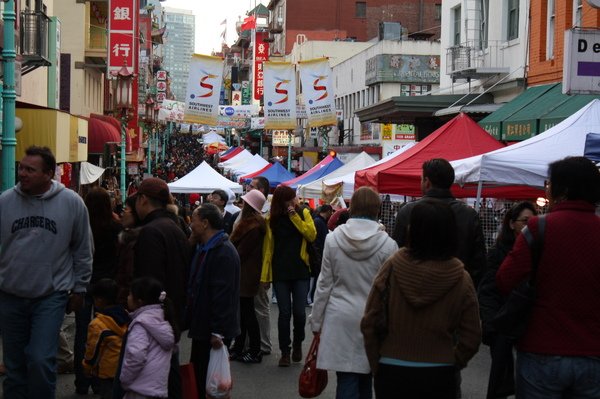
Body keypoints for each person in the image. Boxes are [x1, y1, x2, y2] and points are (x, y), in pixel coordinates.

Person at [496, 156, 600, 398]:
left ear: (562, 189)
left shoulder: (538, 228)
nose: (547, 189)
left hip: (541, 349)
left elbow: (504, 279)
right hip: (594, 351)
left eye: (550, 184)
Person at [361, 199, 481, 399]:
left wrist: (378, 364)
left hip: (392, 368)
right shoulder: (461, 277)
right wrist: (452, 362)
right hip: (440, 371)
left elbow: (369, 322)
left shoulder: (392, 266)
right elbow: (472, 335)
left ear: (411, 230)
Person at [0, 146, 94, 398]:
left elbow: (83, 248)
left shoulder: (72, 202)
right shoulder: (5, 201)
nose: (23, 173)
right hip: (10, 294)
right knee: (14, 366)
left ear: (48, 173)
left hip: (50, 296)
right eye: (21, 167)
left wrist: (80, 287)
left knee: (41, 359)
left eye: (30, 169)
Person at [310, 187, 398, 399]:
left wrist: (316, 321)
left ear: (352, 206)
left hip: (339, 315)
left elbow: (324, 284)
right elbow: (391, 291)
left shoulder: (333, 240)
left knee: (347, 377)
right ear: (377, 209)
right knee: (367, 375)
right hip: (373, 318)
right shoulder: (388, 245)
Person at [133, 177, 191, 398]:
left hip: (157, 313)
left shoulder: (151, 231)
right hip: (174, 309)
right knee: (169, 366)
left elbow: (149, 279)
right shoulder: (175, 228)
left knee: (157, 372)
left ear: (144, 200)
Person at [391, 158, 486, 287]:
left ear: (427, 182)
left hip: (414, 288)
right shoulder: (469, 215)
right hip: (456, 290)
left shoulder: (408, 211)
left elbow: (397, 255)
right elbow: (479, 263)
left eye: (421, 179)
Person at [478, 201, 536, 399]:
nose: (528, 226)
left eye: (532, 221)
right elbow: (487, 290)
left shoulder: (538, 251)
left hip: (530, 325)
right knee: (502, 381)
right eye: (524, 221)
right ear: (511, 224)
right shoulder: (498, 252)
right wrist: (491, 323)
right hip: (503, 321)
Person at [186, 203, 241, 396]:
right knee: (201, 377)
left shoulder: (223, 251)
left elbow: (223, 294)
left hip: (212, 328)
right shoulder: (204, 247)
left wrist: (218, 331)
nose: (191, 224)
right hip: (203, 323)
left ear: (205, 223)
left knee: (208, 381)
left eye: (193, 220)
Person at [261, 185, 317, 367]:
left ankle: (298, 343)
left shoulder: (303, 213)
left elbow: (311, 235)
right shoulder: (272, 220)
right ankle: (285, 351)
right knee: (284, 313)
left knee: (300, 313)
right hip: (280, 271)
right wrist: (265, 277)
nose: (296, 200)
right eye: (292, 197)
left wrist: (294, 216)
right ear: (283, 200)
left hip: (300, 270)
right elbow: (268, 250)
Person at [75, 187, 124, 394]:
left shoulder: (81, 226)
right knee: (107, 331)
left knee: (82, 332)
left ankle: (82, 380)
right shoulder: (115, 226)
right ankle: (101, 379)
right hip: (107, 285)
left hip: (84, 283)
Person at [120, 277, 178, 399]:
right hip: (158, 389)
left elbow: (136, 356)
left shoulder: (140, 324)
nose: (127, 297)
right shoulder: (163, 320)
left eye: (130, 294)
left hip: (139, 389)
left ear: (139, 301)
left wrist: (124, 379)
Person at [229, 190, 267, 363]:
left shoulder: (252, 227)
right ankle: (240, 347)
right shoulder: (254, 224)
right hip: (246, 272)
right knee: (244, 313)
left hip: (246, 273)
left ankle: (253, 350)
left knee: (247, 313)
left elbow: (241, 252)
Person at [83, 279, 129, 399]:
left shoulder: (97, 324)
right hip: (126, 368)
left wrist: (87, 367)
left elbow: (92, 350)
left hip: (107, 372)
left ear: (99, 299)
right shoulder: (125, 315)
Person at [248, 176, 273, 355]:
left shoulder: (267, 214)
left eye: (252, 186)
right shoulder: (254, 212)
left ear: (261, 191)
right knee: (251, 307)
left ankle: (264, 343)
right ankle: (253, 342)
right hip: (251, 268)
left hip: (260, 268)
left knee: (261, 307)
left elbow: (269, 247)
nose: (248, 189)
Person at [308, 204, 333, 304]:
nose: (331, 214)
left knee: (317, 276)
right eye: (331, 212)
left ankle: (312, 298)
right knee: (315, 277)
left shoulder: (319, 221)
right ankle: (311, 298)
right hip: (317, 254)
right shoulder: (319, 222)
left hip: (318, 253)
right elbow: (317, 240)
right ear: (328, 211)